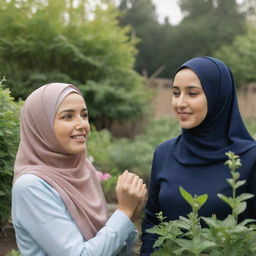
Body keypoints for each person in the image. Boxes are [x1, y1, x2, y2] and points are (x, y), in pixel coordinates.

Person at [12, 82, 147, 256]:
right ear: (41, 126)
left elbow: (112, 247)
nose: (82, 124)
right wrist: (124, 212)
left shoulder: (85, 169)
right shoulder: (31, 186)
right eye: (68, 116)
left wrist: (129, 217)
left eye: (84, 115)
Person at [140, 56, 256, 255]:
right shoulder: (164, 153)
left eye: (192, 93)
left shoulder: (249, 159)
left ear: (218, 96)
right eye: (176, 93)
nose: (180, 103)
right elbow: (152, 222)